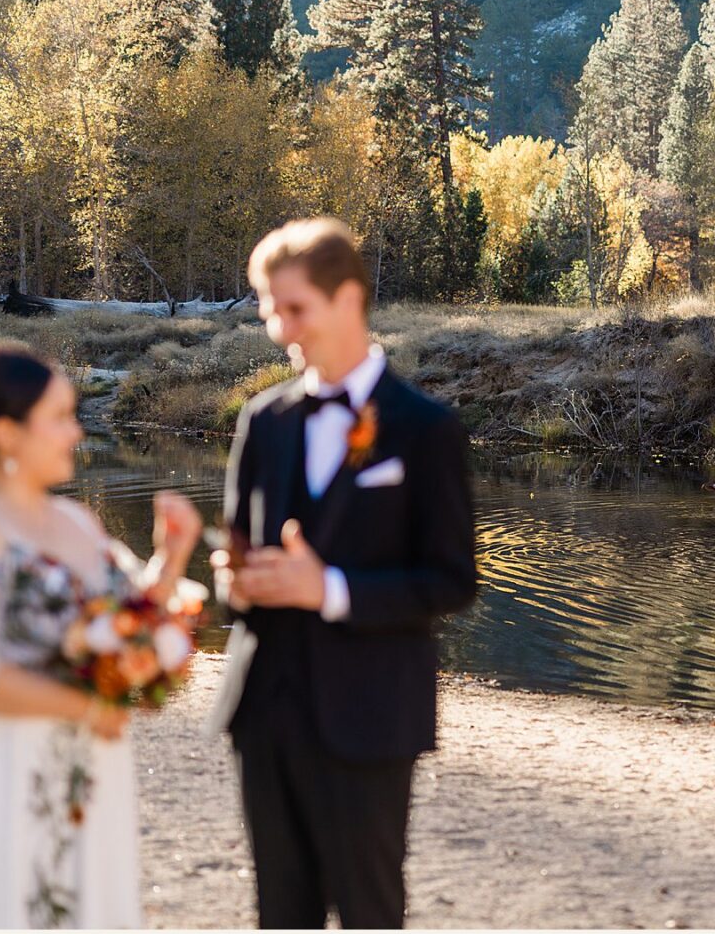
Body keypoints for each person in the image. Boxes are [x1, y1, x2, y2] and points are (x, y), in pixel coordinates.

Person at [207, 216, 478, 929]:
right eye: (269, 308)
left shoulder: (426, 430)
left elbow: (452, 581)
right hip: (265, 710)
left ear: (350, 297)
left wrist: (327, 589)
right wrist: (234, 585)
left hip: (372, 716)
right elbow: (236, 575)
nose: (279, 328)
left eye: (294, 307)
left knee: (369, 909)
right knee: (280, 913)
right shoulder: (261, 422)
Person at [0, 347, 202, 928]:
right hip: (4, 768)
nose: (76, 432)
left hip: (90, 775)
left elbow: (123, 619)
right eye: (59, 418)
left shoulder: (76, 522)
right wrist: (86, 706)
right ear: (7, 433)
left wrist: (171, 559)